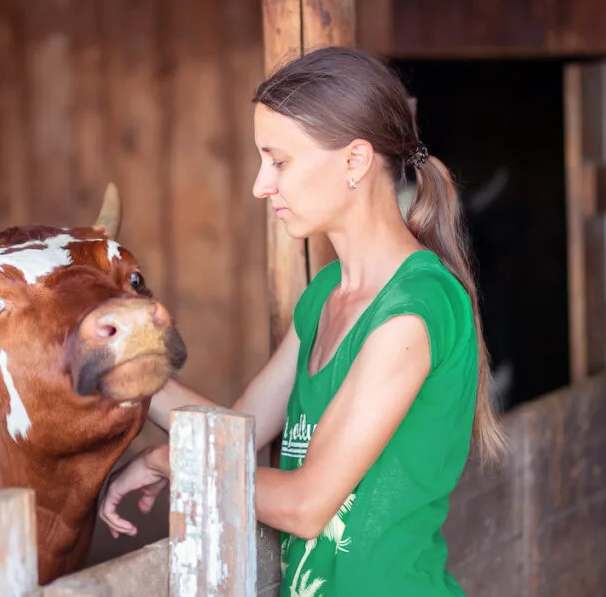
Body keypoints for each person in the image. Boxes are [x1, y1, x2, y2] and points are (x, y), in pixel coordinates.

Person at [97, 46, 508, 597]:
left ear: (355, 161)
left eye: (279, 161)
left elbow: (307, 505)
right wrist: (124, 372)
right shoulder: (324, 295)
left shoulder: (415, 308)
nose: (260, 185)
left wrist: (169, 461)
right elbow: (235, 435)